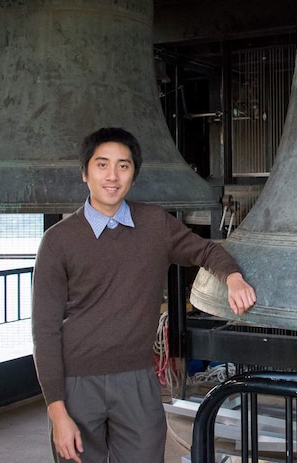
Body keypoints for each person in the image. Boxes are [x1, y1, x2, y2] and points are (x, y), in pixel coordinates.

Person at [32, 127, 256, 463]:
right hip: (76, 383)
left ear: (133, 174)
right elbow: (44, 331)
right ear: (85, 173)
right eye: (102, 164)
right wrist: (57, 413)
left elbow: (207, 251)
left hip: (137, 379)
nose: (112, 176)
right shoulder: (57, 241)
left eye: (123, 166)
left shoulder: (155, 224)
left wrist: (234, 277)